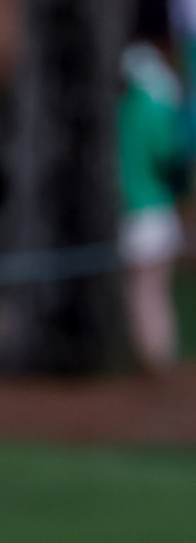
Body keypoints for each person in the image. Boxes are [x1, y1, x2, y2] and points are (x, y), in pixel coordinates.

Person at [118, 40, 186, 374]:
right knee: (156, 293)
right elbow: (172, 160)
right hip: (161, 214)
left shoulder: (129, 111)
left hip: (140, 218)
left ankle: (153, 362)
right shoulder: (159, 110)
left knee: (143, 295)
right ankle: (159, 357)